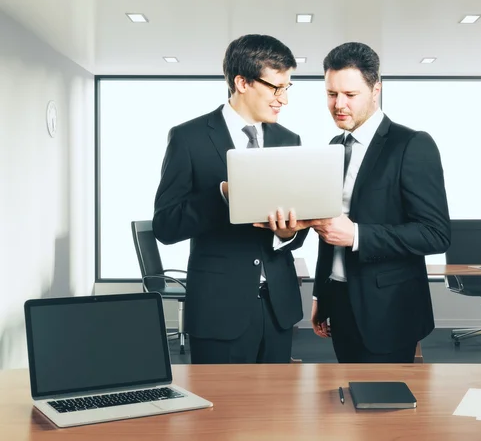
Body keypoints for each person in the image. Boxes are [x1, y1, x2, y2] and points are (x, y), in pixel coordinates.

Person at [153, 34, 309, 364]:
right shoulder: (188, 138)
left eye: (288, 88)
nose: (283, 99)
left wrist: (288, 234)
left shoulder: (289, 139)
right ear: (242, 82)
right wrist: (222, 195)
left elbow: (296, 229)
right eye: (275, 88)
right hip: (218, 309)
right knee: (221, 413)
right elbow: (166, 226)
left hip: (278, 307)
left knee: (276, 413)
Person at [310, 42, 451, 363]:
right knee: (346, 401)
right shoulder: (334, 146)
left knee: (388, 408)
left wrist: (358, 235)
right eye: (331, 94)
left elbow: (436, 234)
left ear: (376, 90)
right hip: (340, 300)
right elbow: (328, 229)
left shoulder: (412, 144)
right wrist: (322, 292)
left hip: (389, 308)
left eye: (350, 95)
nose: (338, 104)